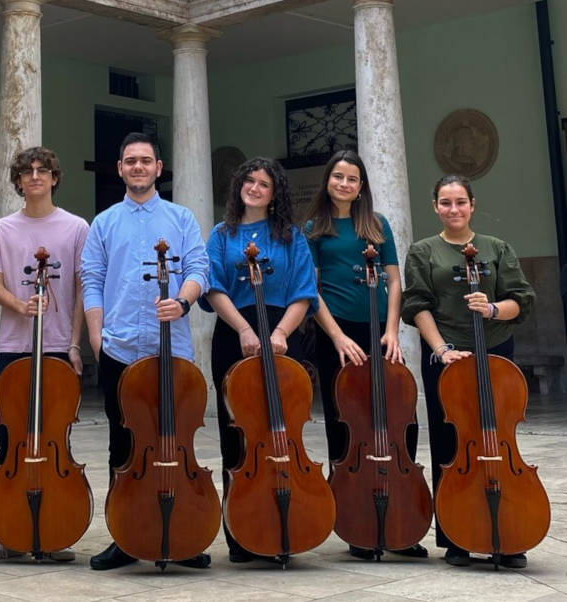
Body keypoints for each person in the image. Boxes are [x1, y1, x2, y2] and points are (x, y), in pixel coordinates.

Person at [81, 132, 210, 571]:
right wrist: (97, 338)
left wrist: (184, 301)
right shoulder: (104, 222)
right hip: (118, 347)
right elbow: (92, 280)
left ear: (159, 168)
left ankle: (184, 534)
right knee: (122, 444)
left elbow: (198, 268)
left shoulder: (181, 218)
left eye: (146, 160)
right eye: (130, 160)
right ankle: (124, 535)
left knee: (172, 439)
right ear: (120, 168)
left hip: (170, 348)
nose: (138, 167)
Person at [402, 174, 535, 569]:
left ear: (472, 204)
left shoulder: (496, 249)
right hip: (448, 357)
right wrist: (440, 349)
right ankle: (457, 537)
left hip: (494, 351)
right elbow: (417, 304)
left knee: (499, 441)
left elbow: (521, 300)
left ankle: (509, 533)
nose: (453, 209)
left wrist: (492, 308)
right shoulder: (423, 252)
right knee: (450, 446)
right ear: (436, 207)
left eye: (460, 201)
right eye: (445, 202)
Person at [304, 149, 426, 560]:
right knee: (346, 424)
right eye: (338, 176)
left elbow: (393, 281)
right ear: (328, 181)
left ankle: (402, 517)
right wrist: (337, 337)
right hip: (336, 335)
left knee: (399, 419)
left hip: (379, 331)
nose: (344, 183)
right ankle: (357, 521)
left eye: (352, 178)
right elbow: (312, 290)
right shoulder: (314, 229)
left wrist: (391, 331)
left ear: (361, 187)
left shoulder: (376, 225)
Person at [0, 146, 88, 562]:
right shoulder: (2, 228)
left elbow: (79, 290)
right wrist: (19, 305)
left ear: (55, 178)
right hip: (14, 346)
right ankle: (8, 533)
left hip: (57, 344)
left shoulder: (76, 227)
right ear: (18, 181)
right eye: (27, 172)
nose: (35, 177)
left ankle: (55, 532)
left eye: (43, 171)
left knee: (56, 437)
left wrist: (75, 344)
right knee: (12, 442)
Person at [201, 156, 318, 563]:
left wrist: (281, 332)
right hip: (236, 332)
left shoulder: (291, 236)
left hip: (283, 332)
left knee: (285, 428)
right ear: (238, 187)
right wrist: (246, 330)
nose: (254, 188)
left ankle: (289, 521)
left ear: (274, 193)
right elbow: (214, 288)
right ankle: (242, 533)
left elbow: (304, 291)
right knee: (237, 433)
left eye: (263, 184)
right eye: (248, 181)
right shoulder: (221, 234)